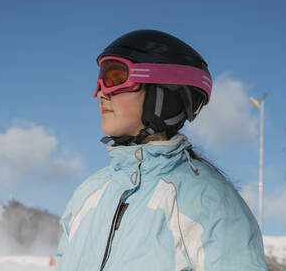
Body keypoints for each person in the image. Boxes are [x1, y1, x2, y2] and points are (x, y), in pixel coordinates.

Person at [55, 30, 267, 270]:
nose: (101, 92)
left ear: (163, 94)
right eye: (100, 80)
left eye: (115, 77)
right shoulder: (88, 192)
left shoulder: (209, 200)